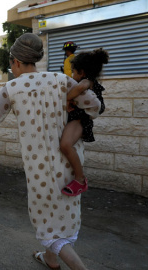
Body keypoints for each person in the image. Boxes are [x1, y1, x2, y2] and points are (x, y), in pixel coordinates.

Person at [0, 33, 98, 270]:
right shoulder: (61, 80)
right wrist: (71, 101)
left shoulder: (11, 87)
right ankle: (50, 259)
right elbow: (94, 106)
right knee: (62, 215)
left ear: (15, 61)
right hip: (69, 164)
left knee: (48, 226)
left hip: (39, 170)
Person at [60, 48, 109, 196]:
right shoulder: (88, 82)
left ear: (82, 73)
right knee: (65, 145)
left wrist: (66, 99)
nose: (72, 75)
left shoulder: (86, 82)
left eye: (74, 72)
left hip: (81, 120)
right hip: (78, 118)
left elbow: (80, 87)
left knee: (65, 145)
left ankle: (80, 180)